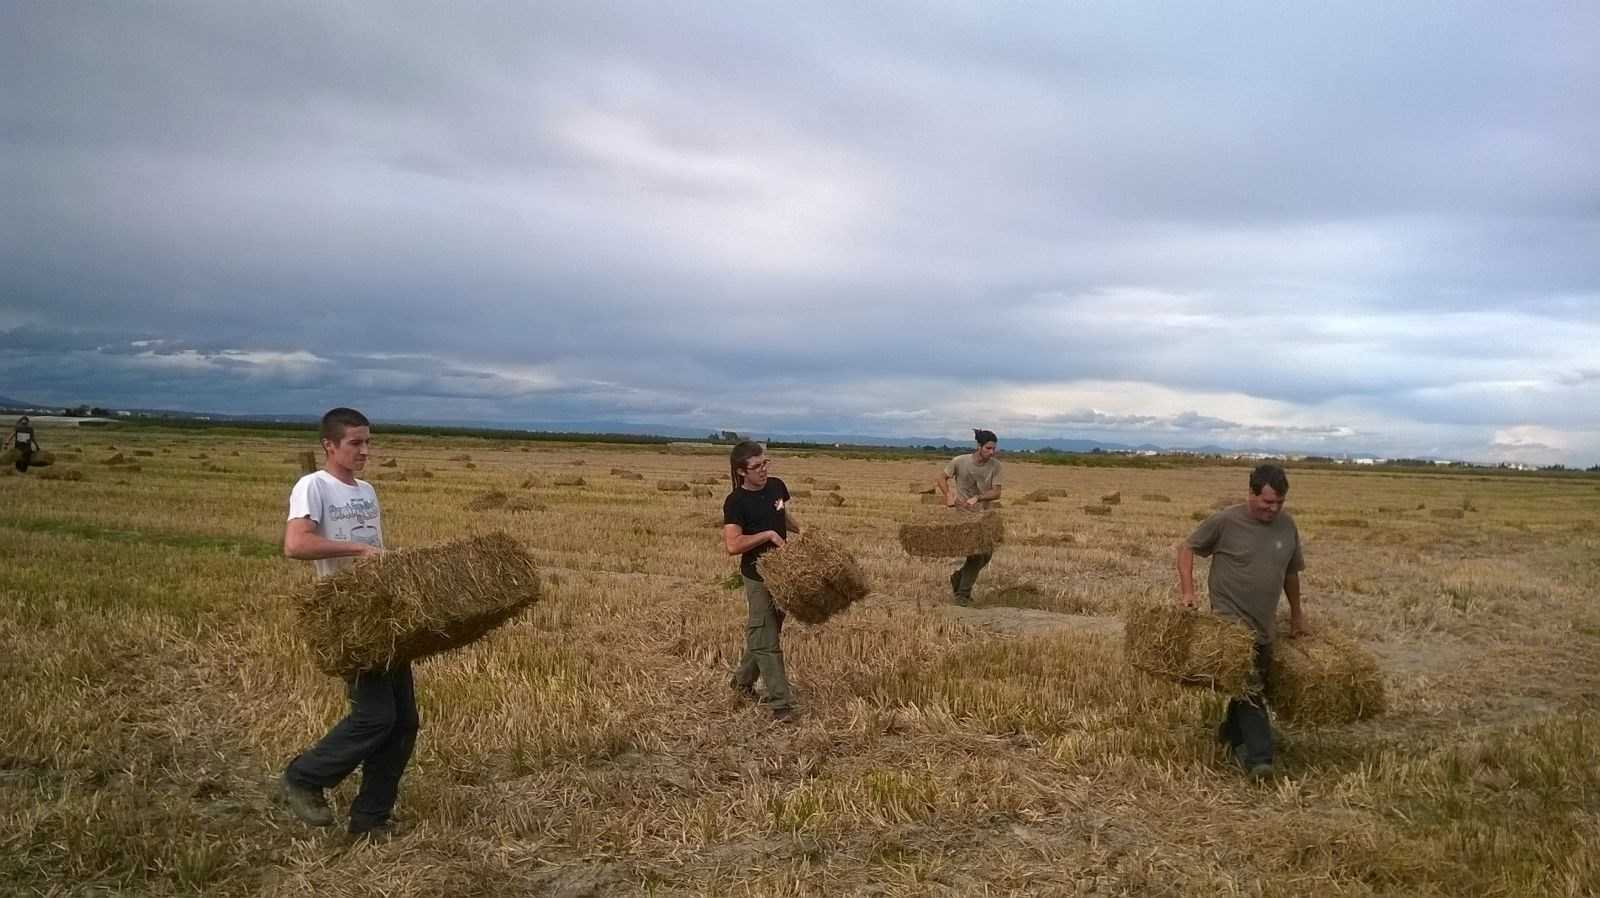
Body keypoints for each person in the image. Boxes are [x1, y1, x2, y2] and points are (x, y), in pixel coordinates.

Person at [276, 407, 415, 841]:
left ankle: (370, 819)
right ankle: (303, 777)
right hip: (348, 616)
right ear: (329, 445)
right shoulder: (312, 486)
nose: (365, 451)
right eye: (355, 443)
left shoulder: (368, 490)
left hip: (382, 613)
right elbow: (295, 544)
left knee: (404, 721)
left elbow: (374, 549)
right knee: (375, 716)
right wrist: (357, 552)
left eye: (368, 442)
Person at [1177, 463, 1307, 779]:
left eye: (1279, 502)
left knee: (1246, 685)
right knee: (1250, 687)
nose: (1273, 508)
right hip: (1229, 623)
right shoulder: (1225, 521)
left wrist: (1297, 614)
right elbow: (1186, 547)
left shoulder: (1287, 527)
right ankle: (1259, 758)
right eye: (1267, 502)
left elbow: (1290, 572)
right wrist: (1188, 591)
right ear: (1250, 494)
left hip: (1264, 625)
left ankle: (1230, 734)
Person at [721, 440, 799, 720]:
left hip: (783, 574)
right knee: (766, 638)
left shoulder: (777, 486)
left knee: (768, 630)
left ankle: (741, 683)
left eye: (766, 462)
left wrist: (802, 529)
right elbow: (733, 544)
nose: (764, 470)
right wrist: (767, 535)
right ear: (742, 472)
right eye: (757, 467)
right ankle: (781, 703)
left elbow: (781, 513)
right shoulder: (736, 502)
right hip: (757, 576)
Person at [935, 428, 1003, 606]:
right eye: (988, 448)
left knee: (986, 554)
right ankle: (962, 595)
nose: (992, 452)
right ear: (979, 446)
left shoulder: (996, 466)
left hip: (984, 515)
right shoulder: (960, 461)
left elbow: (997, 493)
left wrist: (979, 497)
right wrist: (948, 495)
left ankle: (959, 577)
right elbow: (941, 478)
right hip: (963, 514)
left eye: (994, 449)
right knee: (976, 555)